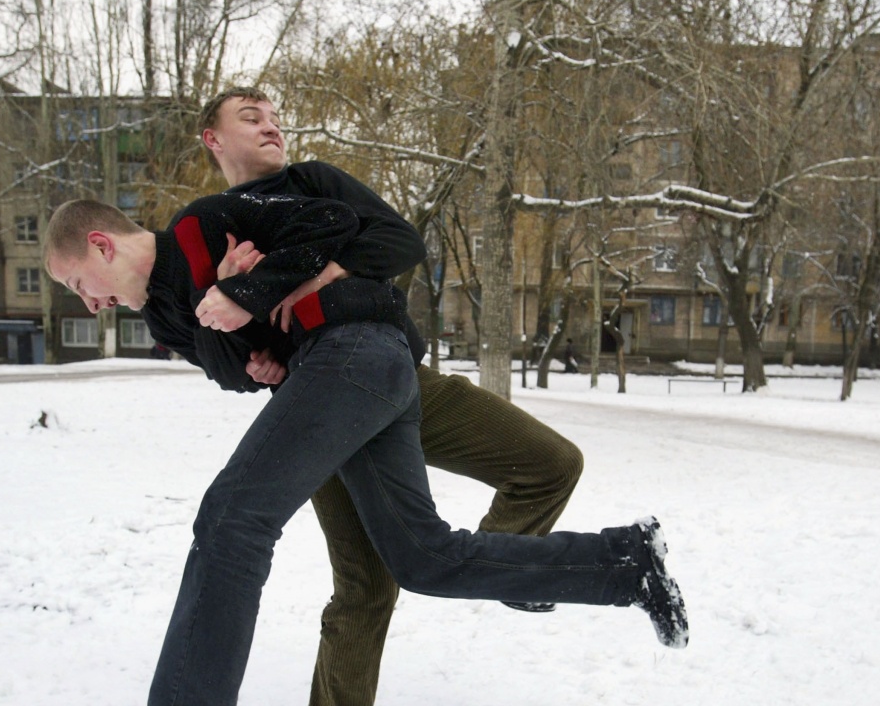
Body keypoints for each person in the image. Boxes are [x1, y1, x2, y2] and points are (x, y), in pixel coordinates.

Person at [43, 195, 689, 706]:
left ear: (100, 245)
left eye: (78, 283)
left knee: (232, 518)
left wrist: (250, 285)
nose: (90, 303)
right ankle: (624, 564)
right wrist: (248, 333)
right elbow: (235, 369)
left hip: (356, 348)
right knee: (422, 558)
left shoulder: (202, 224)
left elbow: (331, 221)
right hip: (346, 379)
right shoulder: (162, 315)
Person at [198, 86, 590, 706]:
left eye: (275, 118)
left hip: (396, 375)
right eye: (251, 119)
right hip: (318, 397)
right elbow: (224, 354)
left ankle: (506, 567)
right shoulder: (214, 222)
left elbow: (399, 243)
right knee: (366, 589)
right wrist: (245, 319)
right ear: (212, 139)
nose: (271, 127)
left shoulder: (314, 181)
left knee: (553, 464)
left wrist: (320, 271)